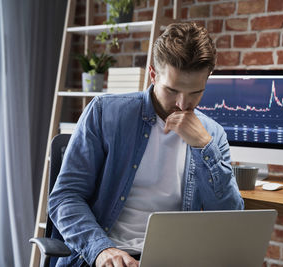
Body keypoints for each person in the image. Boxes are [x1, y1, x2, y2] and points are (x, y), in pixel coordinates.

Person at [48, 22, 244, 267]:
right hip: (104, 254)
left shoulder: (212, 134)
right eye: (172, 90)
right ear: (153, 74)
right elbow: (65, 198)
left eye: (195, 92)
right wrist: (102, 250)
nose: (183, 104)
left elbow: (229, 218)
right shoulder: (104, 112)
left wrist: (204, 147)